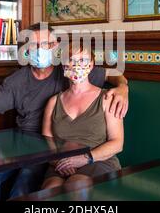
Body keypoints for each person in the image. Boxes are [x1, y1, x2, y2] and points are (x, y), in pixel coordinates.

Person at [0, 22, 129, 201]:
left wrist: (123, 87)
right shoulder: (17, 81)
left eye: (45, 44)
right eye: (34, 45)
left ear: (55, 47)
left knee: (23, 187)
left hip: (50, 152)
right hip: (22, 146)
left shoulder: (71, 69)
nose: (39, 49)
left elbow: (112, 74)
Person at [41, 45, 123, 189]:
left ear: (91, 65)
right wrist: (57, 161)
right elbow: (47, 139)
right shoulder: (53, 102)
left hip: (98, 160)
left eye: (83, 60)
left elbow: (117, 143)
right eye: (71, 60)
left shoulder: (107, 97)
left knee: (76, 186)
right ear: (63, 65)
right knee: (49, 190)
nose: (76, 65)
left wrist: (84, 159)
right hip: (61, 162)